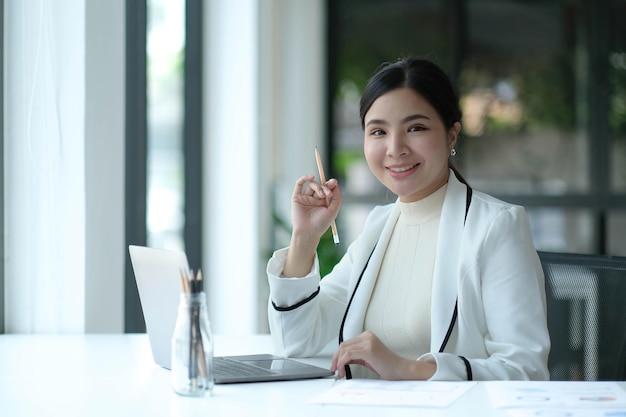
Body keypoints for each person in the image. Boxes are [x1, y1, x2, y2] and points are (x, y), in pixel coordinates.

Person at [266, 56, 550, 381]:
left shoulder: (496, 227)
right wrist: (304, 238)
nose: (395, 148)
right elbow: (296, 343)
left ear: (451, 135)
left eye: (415, 128)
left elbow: (526, 372)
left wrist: (408, 369)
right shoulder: (378, 227)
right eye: (378, 132)